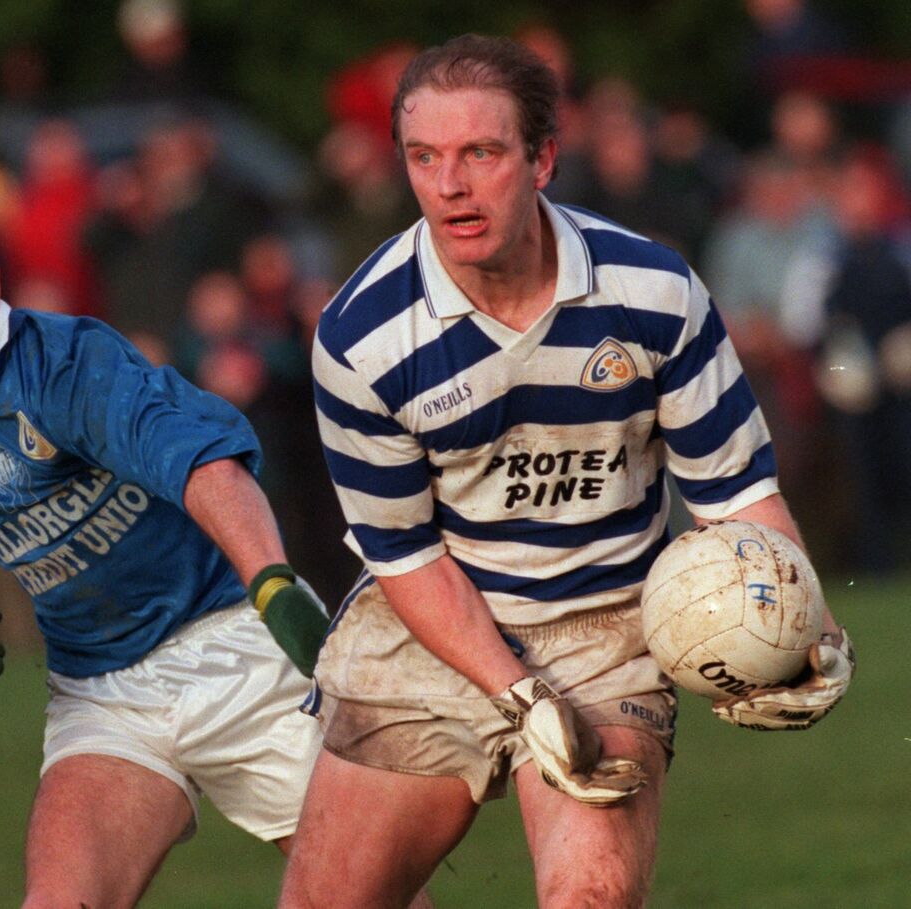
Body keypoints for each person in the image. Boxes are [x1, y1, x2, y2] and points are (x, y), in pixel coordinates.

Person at [282, 35, 856, 909]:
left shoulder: (654, 293)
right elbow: (406, 556)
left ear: (543, 159)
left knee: (592, 898)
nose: (450, 184)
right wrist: (518, 694)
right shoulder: (361, 336)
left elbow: (736, 494)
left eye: (481, 152)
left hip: (606, 632)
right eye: (424, 157)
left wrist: (814, 628)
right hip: (430, 631)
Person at [0, 188, 330, 907]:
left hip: (237, 644)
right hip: (101, 695)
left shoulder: (68, 363)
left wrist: (272, 585)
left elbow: (205, 464)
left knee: (361, 894)